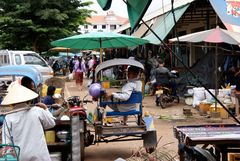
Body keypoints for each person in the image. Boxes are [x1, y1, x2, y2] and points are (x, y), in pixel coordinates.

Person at [1, 83, 55, 161]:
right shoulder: (37, 111)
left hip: (21, 156)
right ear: (28, 99)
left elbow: (7, 143)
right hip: (40, 156)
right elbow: (51, 123)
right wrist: (46, 109)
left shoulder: (8, 118)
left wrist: (10, 155)